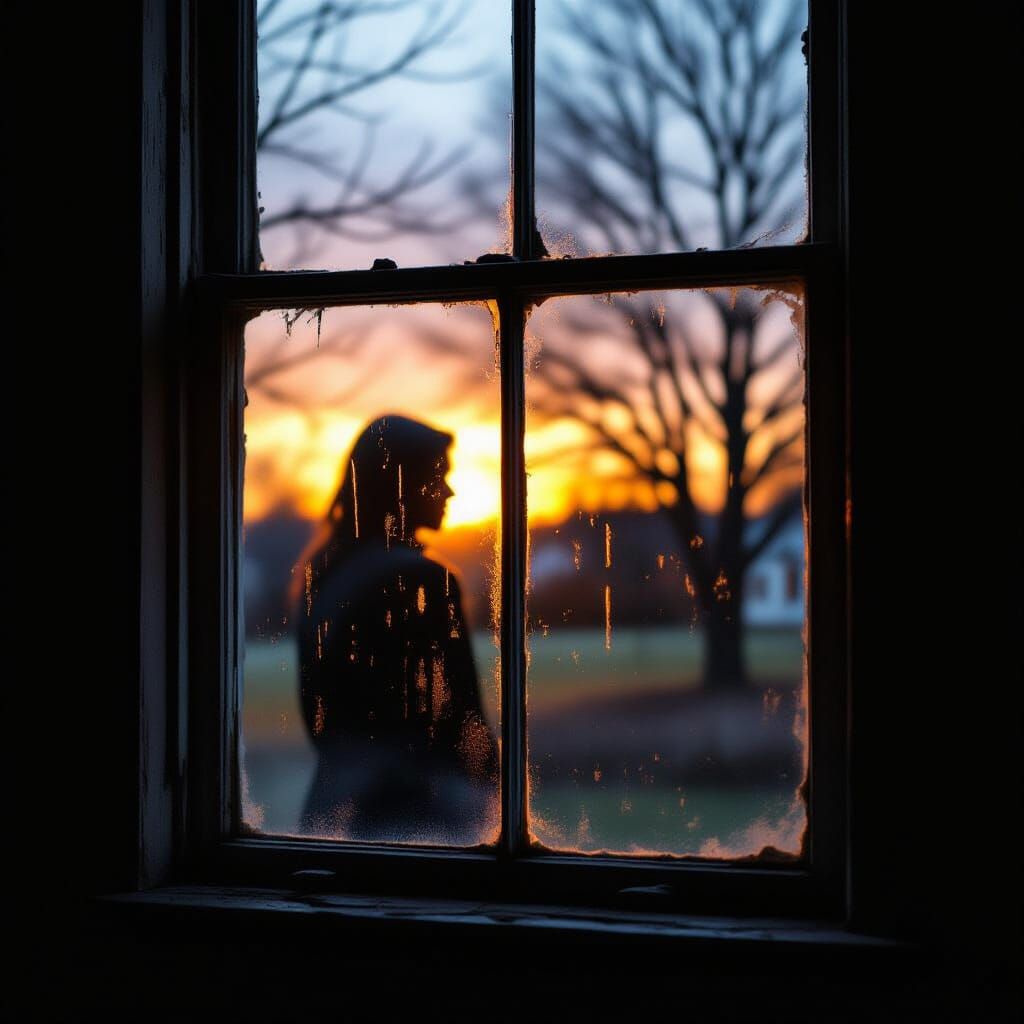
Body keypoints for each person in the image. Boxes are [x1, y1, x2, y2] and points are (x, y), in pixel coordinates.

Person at [294, 414, 497, 844]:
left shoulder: (324, 577)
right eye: (437, 476)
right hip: (421, 827)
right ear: (399, 484)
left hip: (332, 822)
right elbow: (464, 727)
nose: (449, 491)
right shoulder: (423, 582)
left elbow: (323, 722)